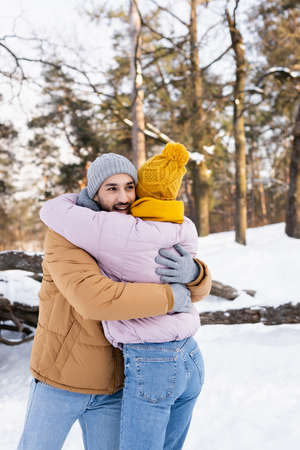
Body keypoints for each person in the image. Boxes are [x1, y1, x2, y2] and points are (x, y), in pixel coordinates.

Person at [38, 142, 211, 450]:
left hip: (115, 378)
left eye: (129, 187)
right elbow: (94, 298)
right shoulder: (65, 230)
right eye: (112, 188)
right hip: (61, 376)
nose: (123, 197)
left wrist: (195, 274)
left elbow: (190, 285)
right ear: (94, 192)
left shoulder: (136, 226)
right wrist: (172, 298)